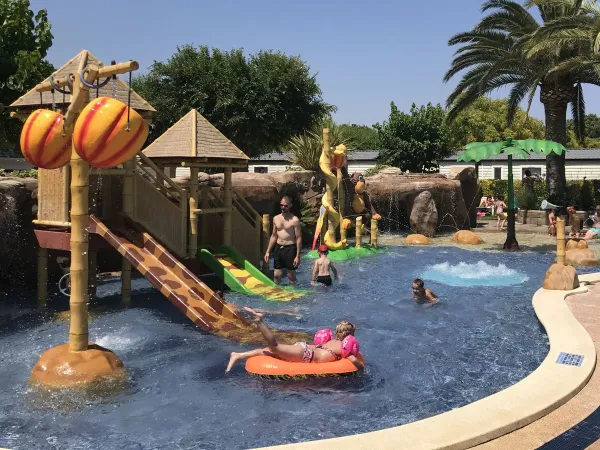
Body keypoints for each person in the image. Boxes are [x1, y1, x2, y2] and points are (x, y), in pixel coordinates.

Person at [225, 307, 363, 372]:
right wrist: (361, 371)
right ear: (350, 335)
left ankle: (238, 355)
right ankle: (259, 321)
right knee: (275, 347)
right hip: (306, 355)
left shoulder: (331, 341)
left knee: (269, 352)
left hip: (304, 350)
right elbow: (353, 360)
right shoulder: (343, 347)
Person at [264, 196, 302, 285]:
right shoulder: (276, 218)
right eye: (281, 205)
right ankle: (277, 291)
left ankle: (293, 292)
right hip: (278, 247)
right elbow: (274, 235)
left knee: (290, 275)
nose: (283, 208)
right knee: (276, 274)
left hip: (290, 248)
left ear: (290, 206)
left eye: (286, 206)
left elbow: (299, 238)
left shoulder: (295, 220)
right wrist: (268, 251)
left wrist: (298, 256)